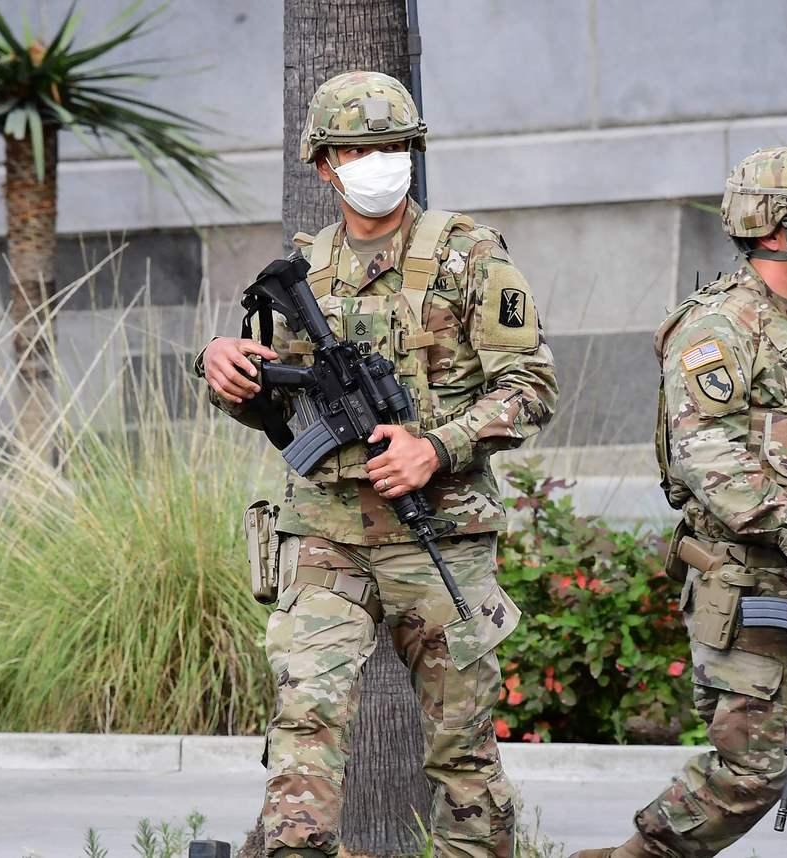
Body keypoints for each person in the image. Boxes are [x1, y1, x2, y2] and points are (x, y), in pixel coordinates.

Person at [196, 70, 558, 858]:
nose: (379, 162)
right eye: (359, 149)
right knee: (303, 724)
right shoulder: (304, 269)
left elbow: (531, 388)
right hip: (326, 535)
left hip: (439, 535)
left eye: (393, 146)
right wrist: (224, 366)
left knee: (463, 754)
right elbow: (271, 402)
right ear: (325, 165)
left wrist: (437, 447)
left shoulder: (468, 255)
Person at [575, 147, 787, 858]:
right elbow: (708, 454)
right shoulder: (716, 327)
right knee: (753, 772)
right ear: (772, 229)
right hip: (755, 580)